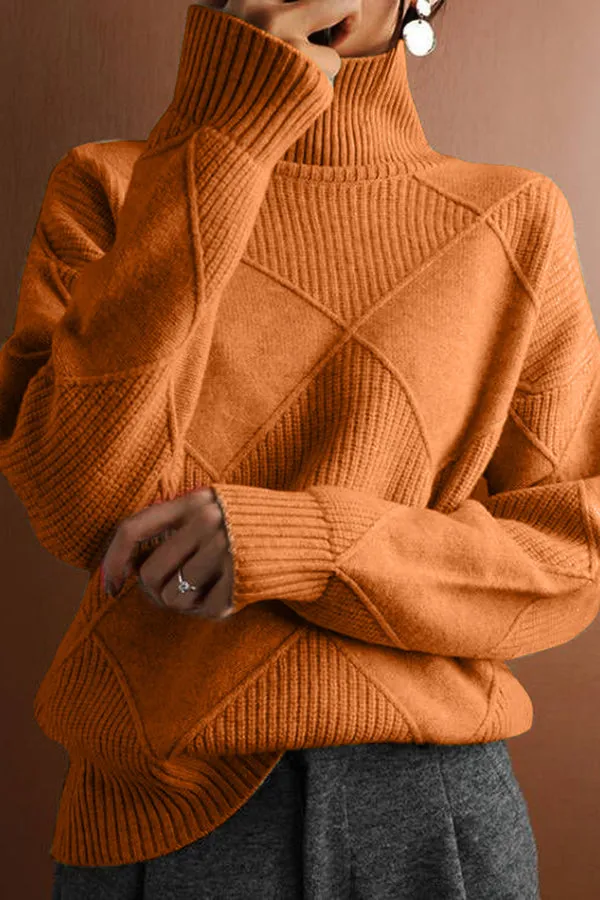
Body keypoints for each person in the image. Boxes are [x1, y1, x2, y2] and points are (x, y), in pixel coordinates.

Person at [2, 0, 598, 896]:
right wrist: (226, 131)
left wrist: (304, 543)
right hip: (160, 817)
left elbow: (571, 555)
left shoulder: (514, 219)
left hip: (430, 813)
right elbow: (78, 502)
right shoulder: (110, 187)